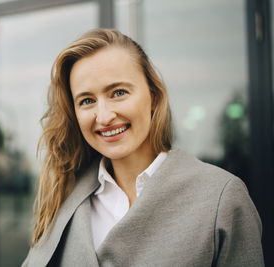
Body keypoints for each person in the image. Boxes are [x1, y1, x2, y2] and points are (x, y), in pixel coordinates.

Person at [22, 29, 264, 266]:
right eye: (87, 101)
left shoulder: (220, 197)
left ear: (154, 96)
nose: (104, 116)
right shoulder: (64, 199)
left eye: (118, 92)